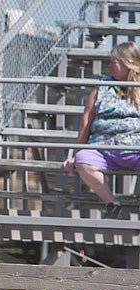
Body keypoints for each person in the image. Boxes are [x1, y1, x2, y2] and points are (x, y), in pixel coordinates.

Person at [63, 42, 140, 219]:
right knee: (83, 160)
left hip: (136, 148)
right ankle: (112, 203)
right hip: (103, 147)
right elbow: (85, 121)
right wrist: (75, 154)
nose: (110, 65)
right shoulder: (101, 87)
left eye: (115, 61)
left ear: (128, 62)